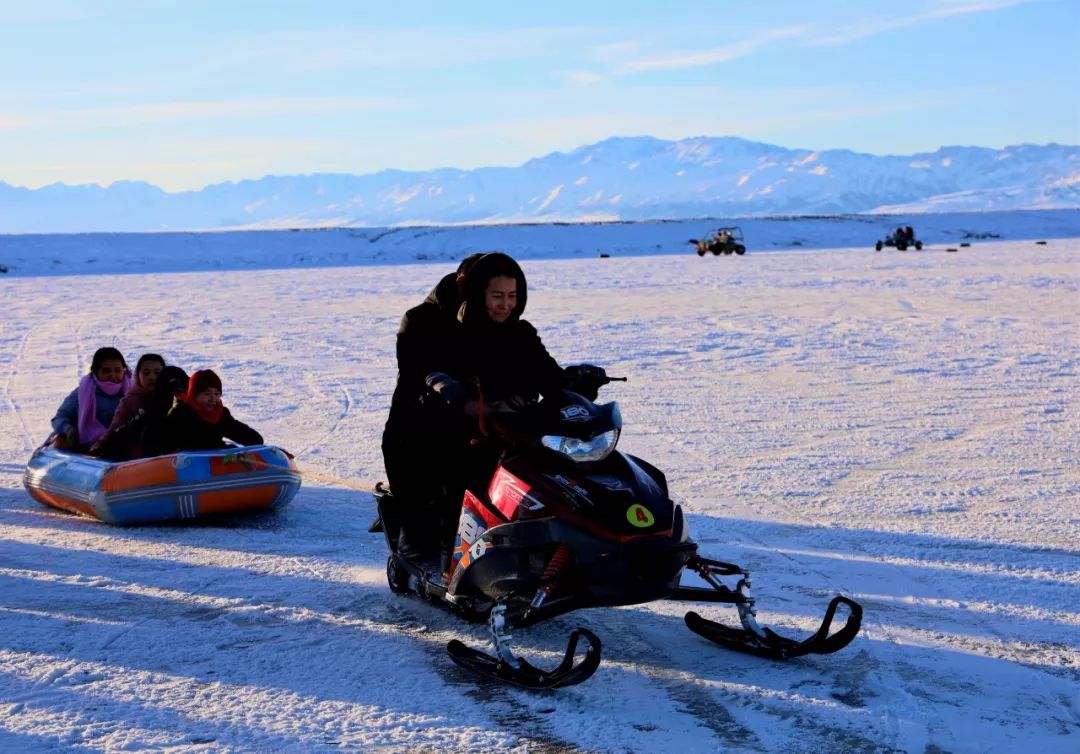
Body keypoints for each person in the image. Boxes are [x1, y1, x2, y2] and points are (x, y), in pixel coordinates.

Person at [425, 252, 569, 571]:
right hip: (472, 436)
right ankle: (452, 565)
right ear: (478, 295)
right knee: (467, 481)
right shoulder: (456, 335)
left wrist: (576, 380)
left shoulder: (523, 335)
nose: (505, 305)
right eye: (497, 296)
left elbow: (550, 376)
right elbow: (433, 372)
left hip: (522, 434)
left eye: (512, 296)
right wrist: (447, 388)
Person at [382, 253, 484, 560]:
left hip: (474, 418)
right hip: (419, 420)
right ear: (462, 282)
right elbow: (415, 368)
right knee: (425, 480)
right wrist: (441, 383)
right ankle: (414, 540)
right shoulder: (419, 318)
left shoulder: (491, 320)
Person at [50, 347, 132, 453]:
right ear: (96, 371)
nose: (113, 376)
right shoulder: (83, 393)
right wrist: (69, 429)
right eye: (106, 371)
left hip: (126, 450)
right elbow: (60, 417)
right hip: (89, 452)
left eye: (117, 371)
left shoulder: (133, 391)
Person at [161, 369, 263, 451]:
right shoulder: (180, 413)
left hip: (213, 464)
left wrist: (256, 444)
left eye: (217, 394)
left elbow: (244, 434)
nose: (213, 399)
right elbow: (163, 441)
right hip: (185, 464)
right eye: (207, 394)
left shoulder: (220, 414)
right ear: (194, 395)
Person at [90, 353, 165, 460]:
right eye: (146, 373)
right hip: (136, 458)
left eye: (157, 373)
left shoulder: (172, 398)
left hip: (167, 455)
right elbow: (115, 427)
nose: (152, 377)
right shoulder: (129, 401)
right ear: (138, 376)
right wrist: (100, 444)